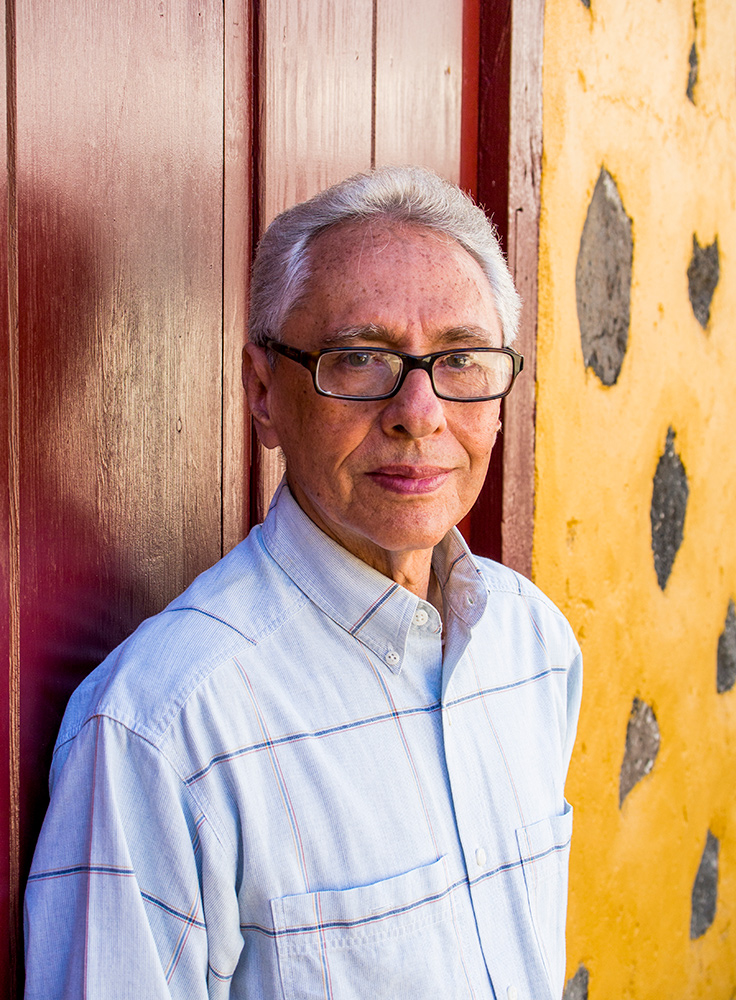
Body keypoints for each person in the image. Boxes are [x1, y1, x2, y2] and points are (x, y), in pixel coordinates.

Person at [24, 166, 582, 1000]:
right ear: (263, 392)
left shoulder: (533, 644)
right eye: (359, 359)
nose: (420, 412)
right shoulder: (164, 727)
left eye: (463, 360)